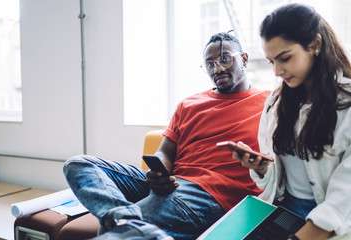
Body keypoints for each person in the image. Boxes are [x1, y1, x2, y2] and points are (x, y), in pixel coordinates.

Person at [63, 32, 269, 240]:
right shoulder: (189, 104)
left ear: (243, 58)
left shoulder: (269, 104)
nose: (218, 68)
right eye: (210, 64)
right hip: (173, 183)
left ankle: (130, 227)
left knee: (114, 234)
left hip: (210, 195)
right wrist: (158, 172)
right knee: (78, 164)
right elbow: (165, 152)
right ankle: (127, 219)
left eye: (225, 59)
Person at [232, 3, 351, 240]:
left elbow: (343, 200)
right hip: (285, 210)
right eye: (271, 61)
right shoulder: (276, 103)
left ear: (315, 45)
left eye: (284, 58)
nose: (277, 71)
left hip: (333, 221)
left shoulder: (347, 105)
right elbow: (276, 182)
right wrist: (261, 167)